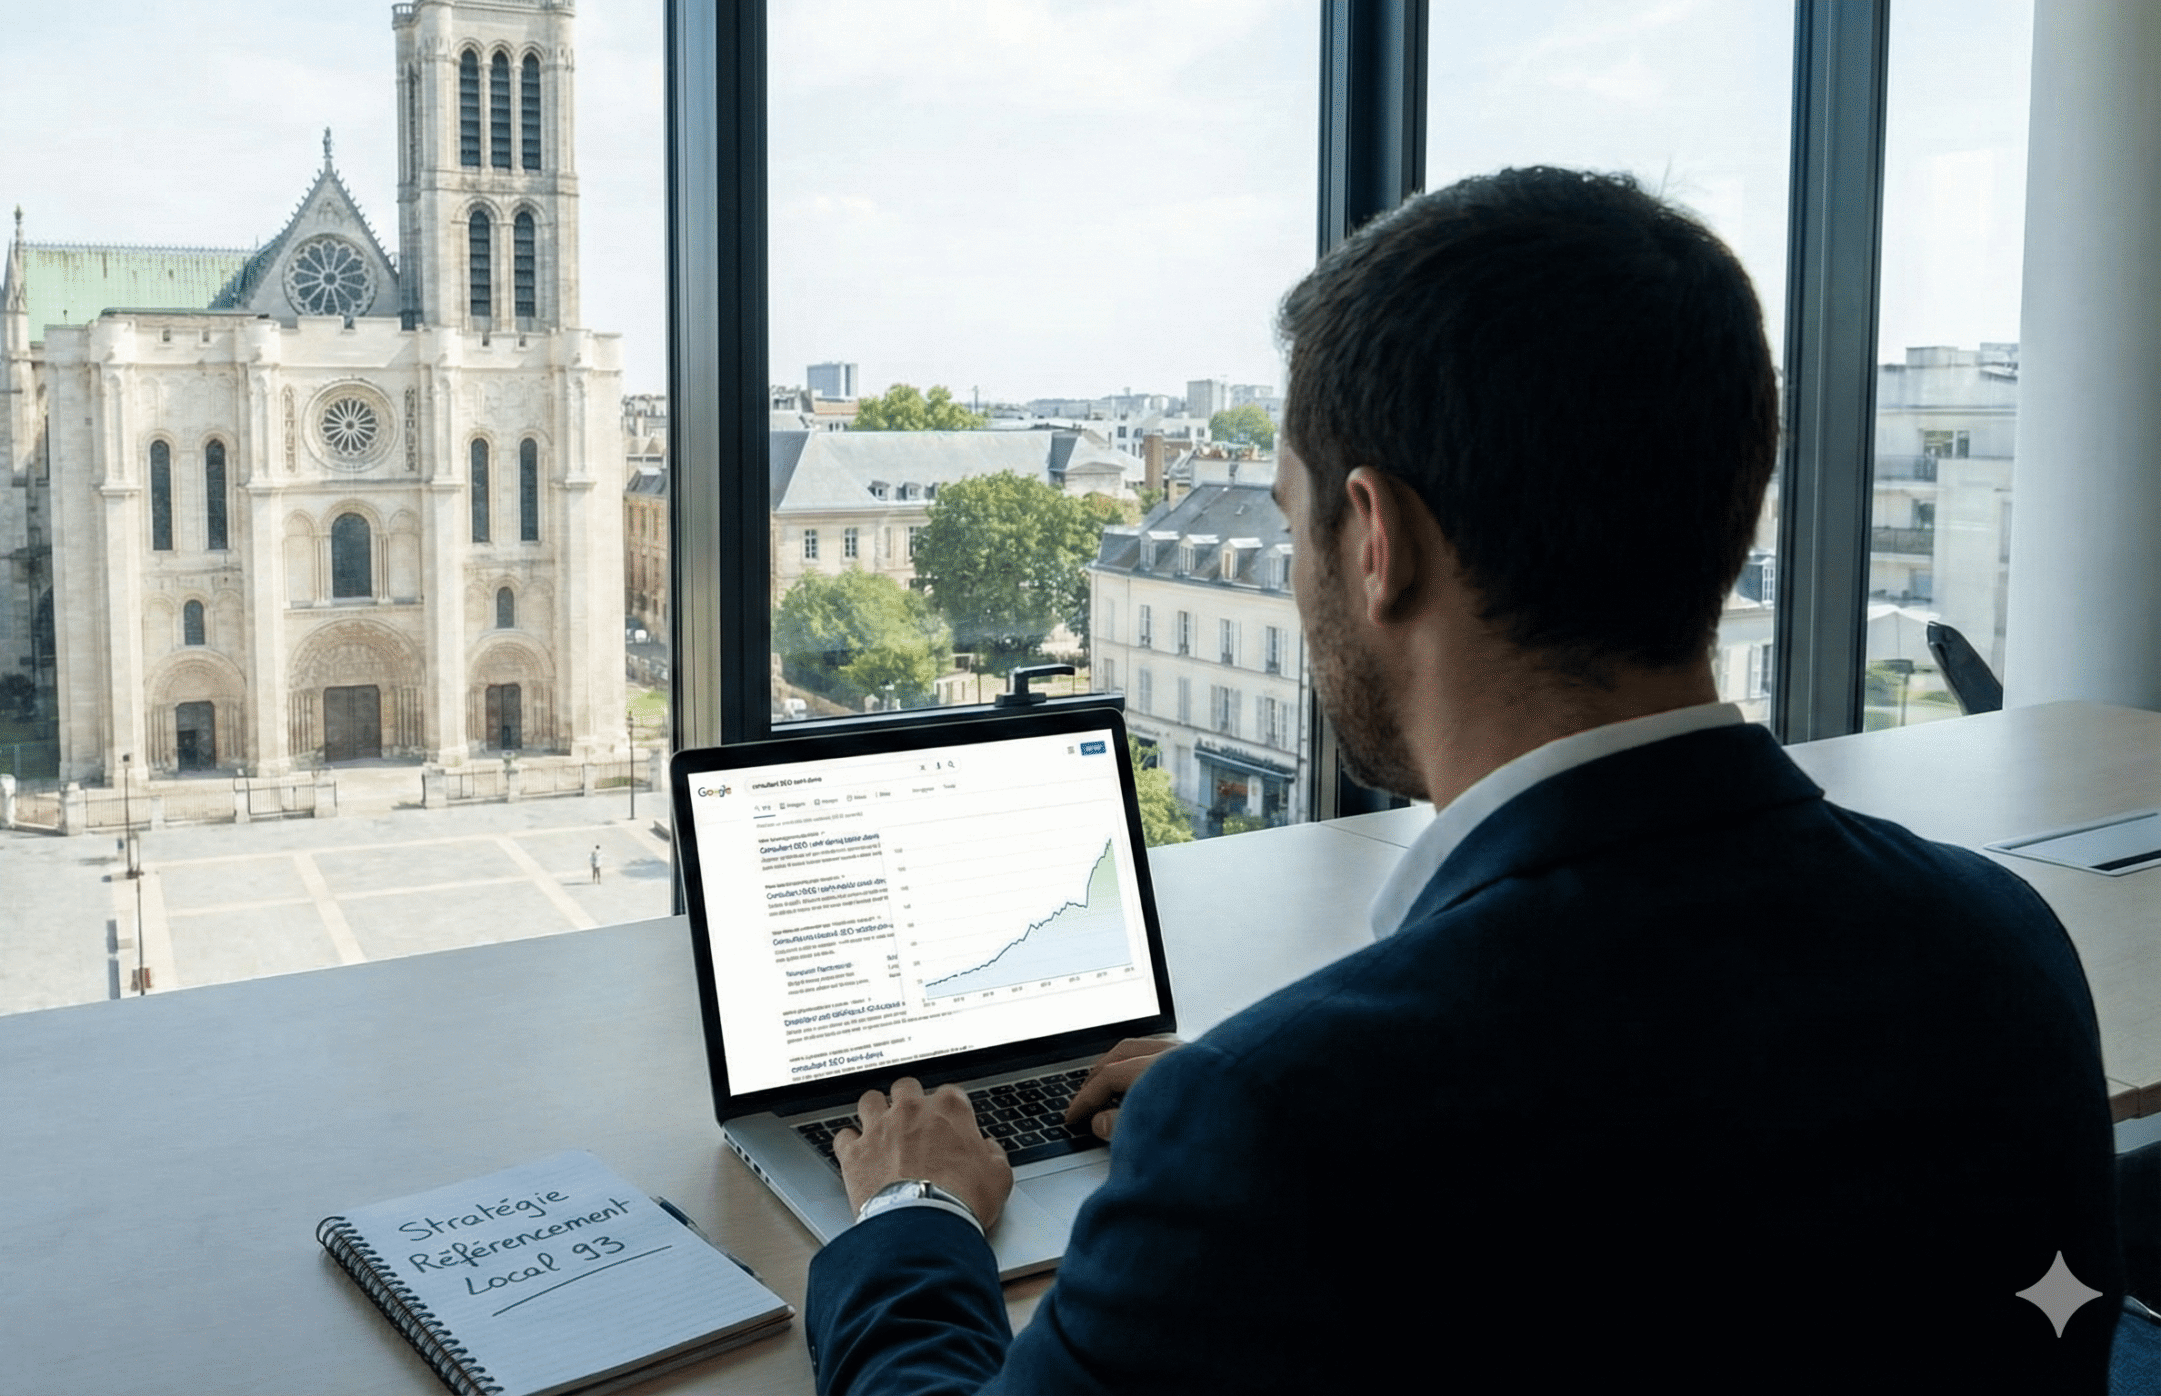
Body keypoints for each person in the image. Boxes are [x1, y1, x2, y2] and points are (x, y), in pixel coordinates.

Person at [804, 167, 2123, 1393]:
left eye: (1292, 517)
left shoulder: (1282, 1131)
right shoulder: (2003, 943)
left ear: (1375, 539)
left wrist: (912, 1217)